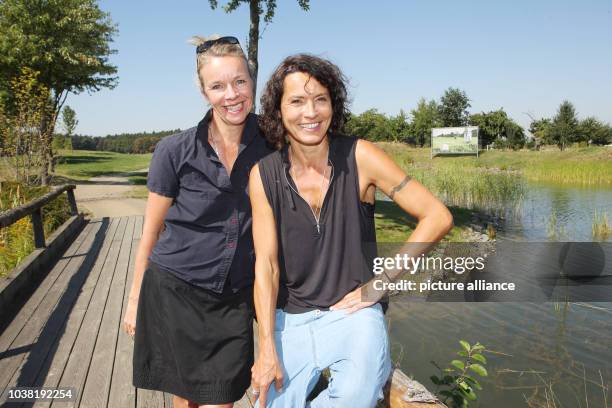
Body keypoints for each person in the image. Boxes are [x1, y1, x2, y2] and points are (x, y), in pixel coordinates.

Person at [248, 54, 454, 408]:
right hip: (290, 320)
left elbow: (437, 216)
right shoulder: (263, 175)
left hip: (354, 316)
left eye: (320, 100)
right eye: (296, 101)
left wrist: (381, 283)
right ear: (278, 110)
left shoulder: (361, 157)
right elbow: (265, 266)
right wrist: (266, 346)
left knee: (355, 399)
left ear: (333, 104)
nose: (310, 113)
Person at [122, 35, 272, 408]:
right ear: (204, 93)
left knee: (220, 400)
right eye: (217, 86)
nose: (231, 94)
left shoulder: (274, 142)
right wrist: (134, 297)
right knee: (184, 397)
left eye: (239, 81)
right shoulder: (174, 150)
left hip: (233, 298)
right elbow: (151, 233)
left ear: (252, 81)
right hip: (175, 289)